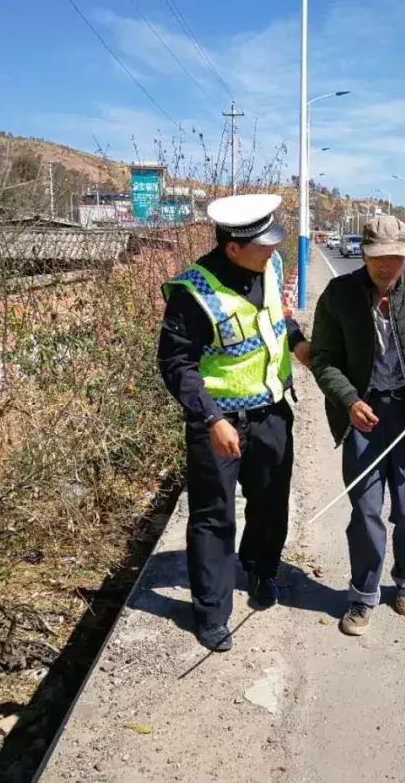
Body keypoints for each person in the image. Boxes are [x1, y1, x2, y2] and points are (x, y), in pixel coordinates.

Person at [156, 193, 310, 652]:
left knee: (270, 504)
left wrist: (300, 345)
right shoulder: (193, 293)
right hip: (218, 423)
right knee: (213, 517)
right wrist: (210, 418)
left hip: (272, 415)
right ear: (232, 248)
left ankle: (262, 571)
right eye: (263, 246)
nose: (272, 252)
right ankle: (211, 611)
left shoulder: (271, 266)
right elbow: (175, 364)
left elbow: (278, 318)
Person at [310, 215, 405, 637]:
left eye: (395, 257)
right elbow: (323, 358)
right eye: (378, 257)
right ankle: (363, 594)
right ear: (364, 253)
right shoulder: (339, 295)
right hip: (363, 417)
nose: (387, 266)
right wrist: (349, 400)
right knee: (366, 512)